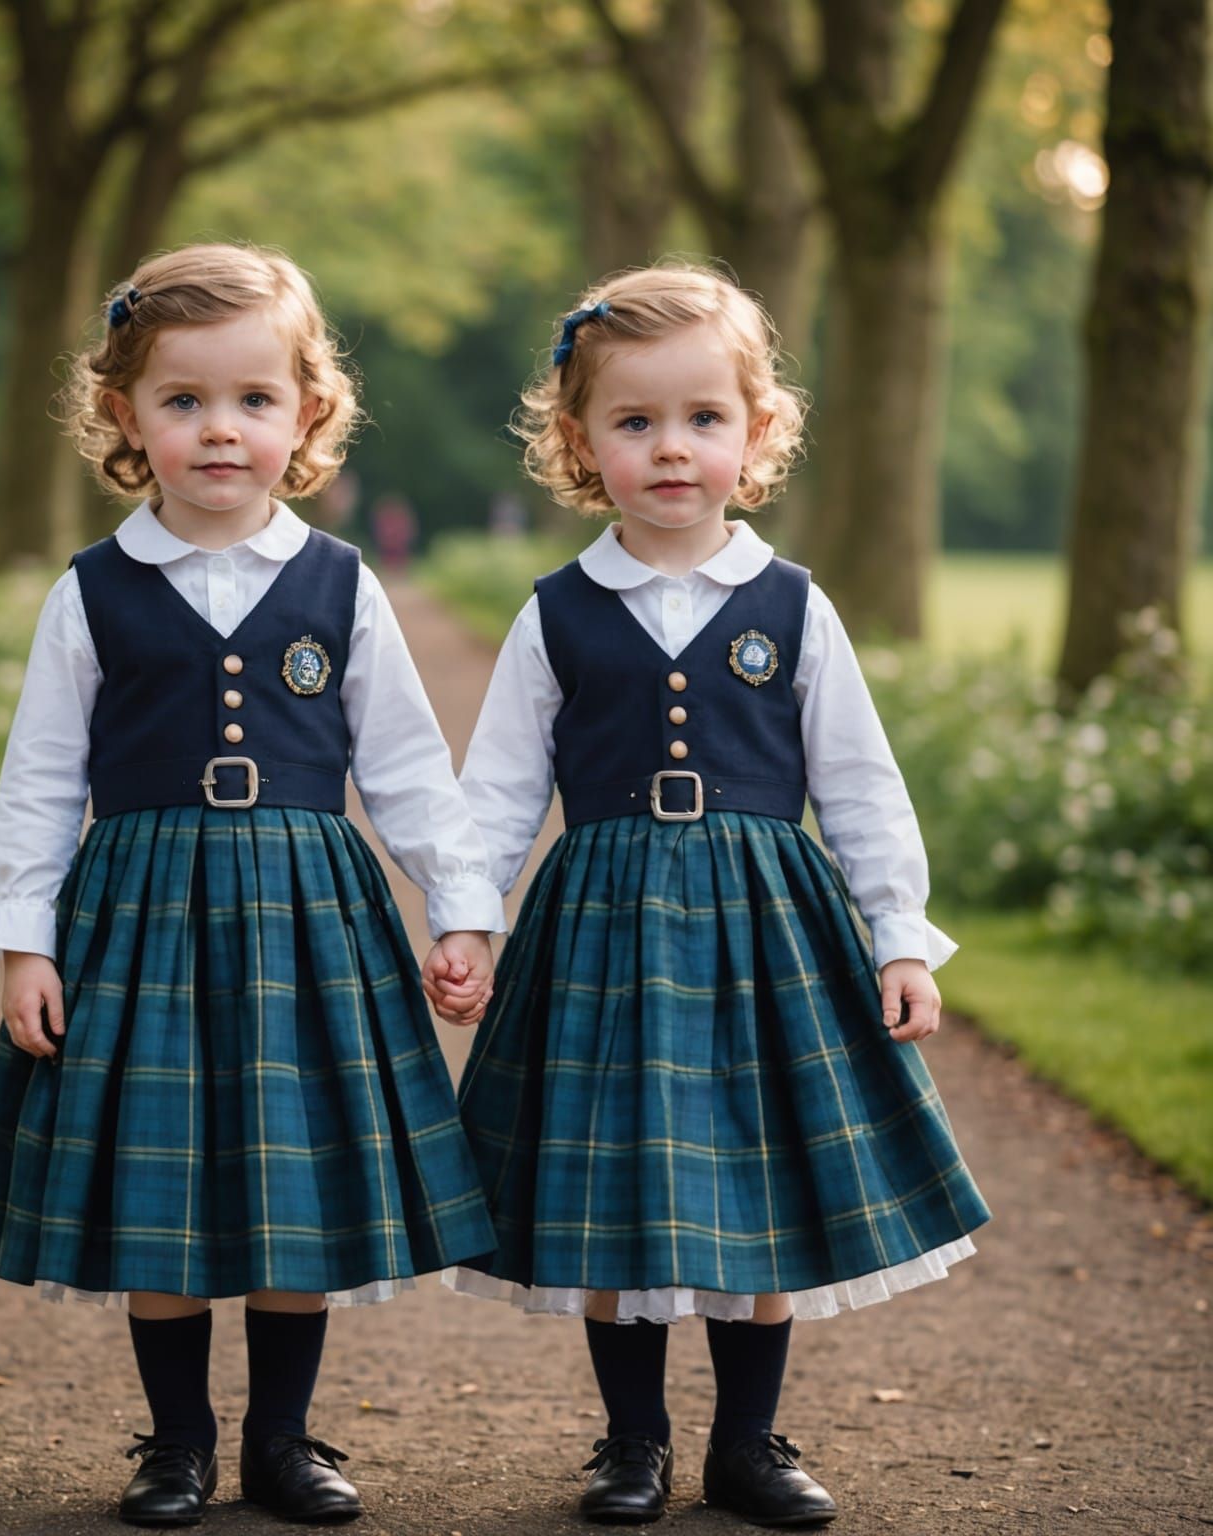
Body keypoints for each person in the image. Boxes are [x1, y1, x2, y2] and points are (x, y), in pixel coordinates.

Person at [0, 243, 499, 1528]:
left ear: (307, 414)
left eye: (253, 399)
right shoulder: (91, 592)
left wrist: (460, 908)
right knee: (164, 1189)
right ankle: (177, 1444)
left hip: (307, 918)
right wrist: (26, 941)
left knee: (292, 1186)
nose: (220, 429)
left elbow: (409, 771)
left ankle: (281, 1441)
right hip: (139, 920)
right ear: (125, 415)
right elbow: (40, 779)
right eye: (183, 400)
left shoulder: (340, 583)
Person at [442, 261, 991, 1527]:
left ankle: (748, 1443)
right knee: (615, 1180)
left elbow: (861, 786)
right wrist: (468, 920)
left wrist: (901, 939)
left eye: (703, 419)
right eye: (636, 422)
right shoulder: (557, 614)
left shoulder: (793, 606)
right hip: (602, 932)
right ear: (581, 440)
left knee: (758, 1175)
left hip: (767, 930)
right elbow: (497, 793)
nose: (672, 449)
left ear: (758, 430)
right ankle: (632, 1442)